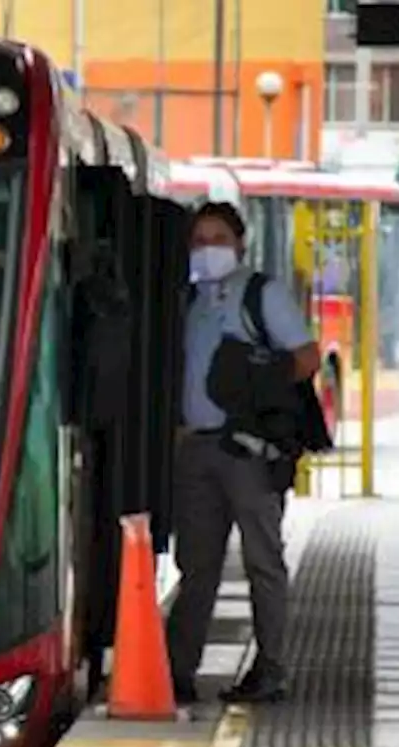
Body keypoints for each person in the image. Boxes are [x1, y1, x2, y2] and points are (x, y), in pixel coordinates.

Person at [167, 201, 321, 705]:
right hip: (196, 449)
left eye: (218, 239)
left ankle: (271, 668)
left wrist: (260, 393)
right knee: (197, 566)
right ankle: (177, 672)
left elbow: (306, 357)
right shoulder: (185, 299)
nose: (208, 249)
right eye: (199, 239)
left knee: (262, 561)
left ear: (240, 244)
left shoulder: (262, 294)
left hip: (249, 451)